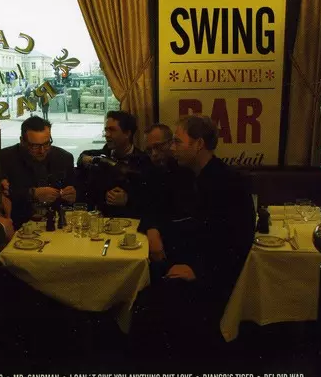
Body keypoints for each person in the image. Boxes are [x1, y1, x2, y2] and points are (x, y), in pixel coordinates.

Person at [131, 114, 256, 359]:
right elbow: (153, 207)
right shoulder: (181, 174)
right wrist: (153, 231)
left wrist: (198, 270)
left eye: (178, 141)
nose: (172, 148)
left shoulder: (231, 183)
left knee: (147, 313)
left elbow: (239, 243)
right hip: (174, 262)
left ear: (199, 144)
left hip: (212, 279)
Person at [0, 116, 76, 228]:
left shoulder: (64, 158)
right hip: (19, 224)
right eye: (35, 146)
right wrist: (31, 194)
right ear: (22, 141)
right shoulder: (5, 158)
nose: (42, 151)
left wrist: (72, 195)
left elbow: (77, 191)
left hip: (56, 224)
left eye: (46, 144)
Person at [137, 123, 195, 264]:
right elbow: (146, 205)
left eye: (158, 147)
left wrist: (153, 228)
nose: (154, 154)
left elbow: (180, 214)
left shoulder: (186, 169)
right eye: (149, 150)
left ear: (171, 143)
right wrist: (151, 228)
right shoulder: (149, 168)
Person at [77, 110, 151, 217]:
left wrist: (128, 200)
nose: (107, 135)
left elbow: (150, 200)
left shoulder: (144, 161)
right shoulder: (97, 157)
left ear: (127, 133)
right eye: (106, 130)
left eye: (112, 130)